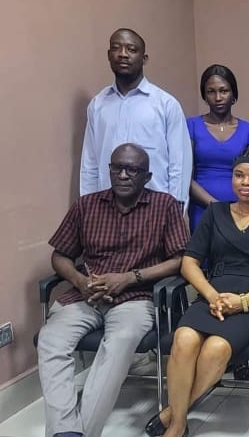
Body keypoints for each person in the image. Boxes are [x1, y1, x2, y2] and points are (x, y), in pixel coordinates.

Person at [145, 151, 249, 437]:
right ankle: (180, 422)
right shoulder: (215, 213)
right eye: (239, 175)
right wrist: (212, 295)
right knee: (184, 338)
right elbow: (189, 263)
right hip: (213, 295)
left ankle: (173, 414)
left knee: (216, 347)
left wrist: (244, 301)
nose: (245, 182)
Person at [37, 144, 189, 437]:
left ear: (147, 176)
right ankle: (66, 431)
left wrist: (129, 277)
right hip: (86, 294)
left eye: (132, 170)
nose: (122, 175)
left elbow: (180, 260)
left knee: (118, 343)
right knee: (51, 339)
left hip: (136, 297)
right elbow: (60, 255)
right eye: (116, 168)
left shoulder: (165, 205)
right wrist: (80, 281)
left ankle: (84, 432)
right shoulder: (86, 205)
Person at [80, 28, 192, 208]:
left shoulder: (166, 104)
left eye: (131, 49)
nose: (123, 54)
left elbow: (179, 163)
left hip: (155, 208)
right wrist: (88, 207)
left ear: (144, 58)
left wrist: (175, 207)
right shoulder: (97, 105)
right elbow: (90, 163)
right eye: (116, 48)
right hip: (107, 208)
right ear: (109, 55)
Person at [187, 64, 249, 231]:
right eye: (211, 92)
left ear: (234, 95)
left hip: (241, 211)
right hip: (202, 209)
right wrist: (216, 206)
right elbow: (185, 176)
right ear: (204, 96)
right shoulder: (190, 126)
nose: (218, 97)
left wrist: (235, 209)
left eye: (224, 91)